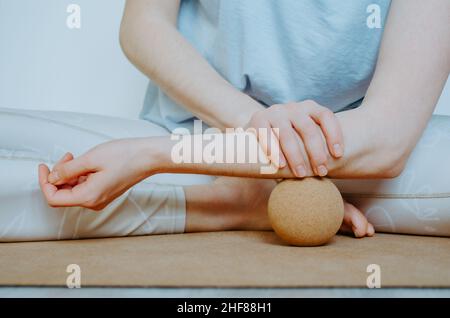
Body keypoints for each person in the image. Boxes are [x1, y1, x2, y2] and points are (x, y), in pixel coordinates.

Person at [1, 0, 449, 241]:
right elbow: (143, 22)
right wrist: (250, 121)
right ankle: (239, 199)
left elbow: (387, 139)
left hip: (350, 160)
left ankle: (231, 199)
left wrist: (152, 157)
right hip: (198, 128)